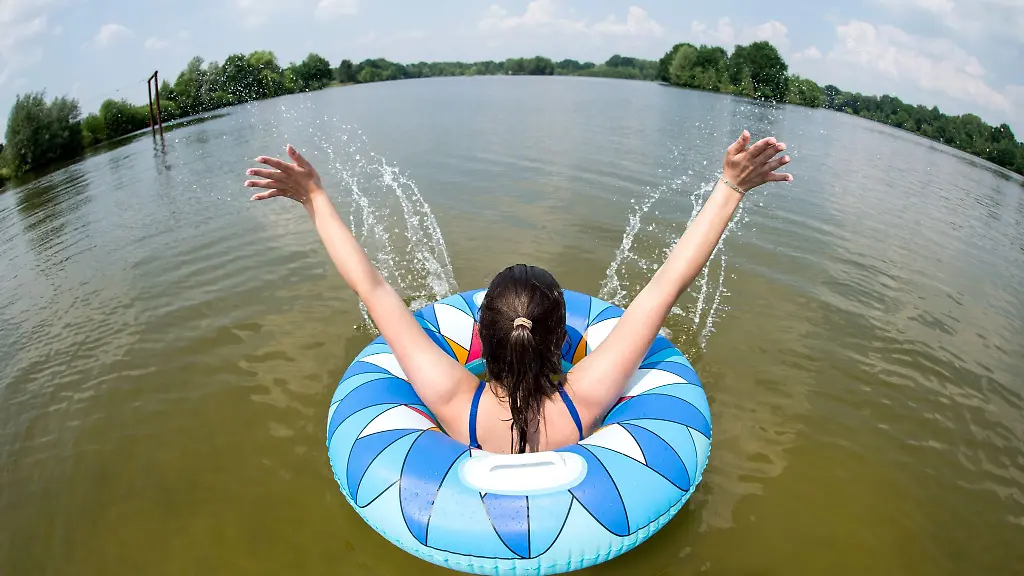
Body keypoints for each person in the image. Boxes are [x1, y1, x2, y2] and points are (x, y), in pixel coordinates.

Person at [245, 130, 792, 454]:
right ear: (564, 339)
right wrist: (731, 187)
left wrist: (314, 197)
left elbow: (371, 285)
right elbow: (667, 283)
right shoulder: (585, 398)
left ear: (480, 339)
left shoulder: (456, 399)